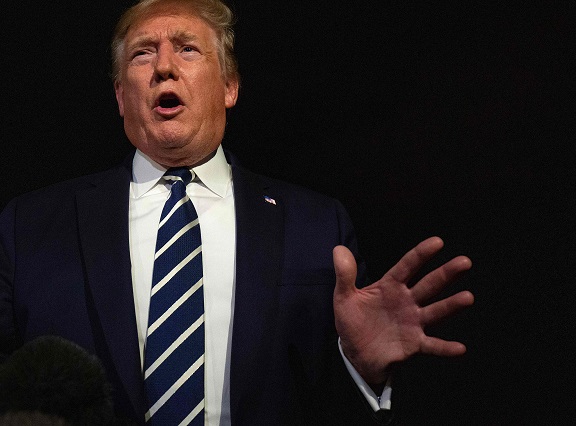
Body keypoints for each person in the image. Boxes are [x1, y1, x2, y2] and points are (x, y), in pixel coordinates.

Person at [0, 0, 474, 424]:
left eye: (187, 49)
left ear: (229, 86)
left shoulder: (314, 226)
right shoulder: (32, 227)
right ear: (122, 96)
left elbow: (325, 402)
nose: (164, 66)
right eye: (143, 53)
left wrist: (359, 368)